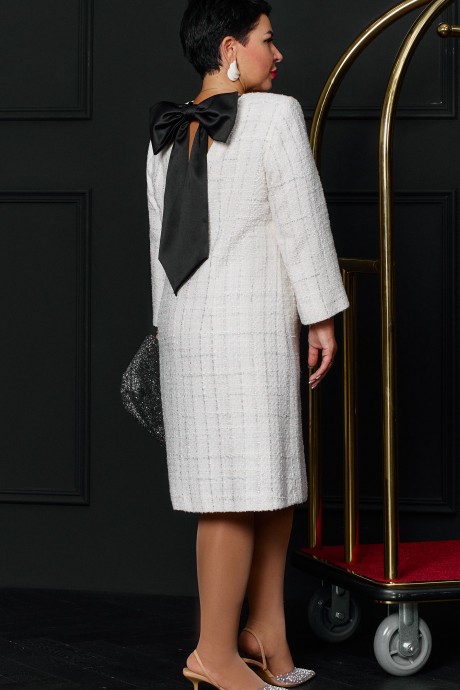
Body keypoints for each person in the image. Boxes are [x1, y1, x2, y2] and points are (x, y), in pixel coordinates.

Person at [146, 1, 349, 688]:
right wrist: (322, 317)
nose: (278, 53)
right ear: (230, 49)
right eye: (268, 40)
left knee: (267, 481)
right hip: (249, 330)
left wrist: (163, 333)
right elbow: (302, 221)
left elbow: (158, 248)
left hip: (190, 330)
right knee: (236, 492)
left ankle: (267, 634)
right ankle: (214, 653)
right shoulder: (275, 115)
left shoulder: (164, 130)